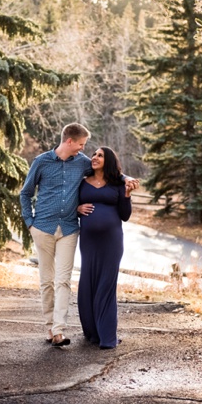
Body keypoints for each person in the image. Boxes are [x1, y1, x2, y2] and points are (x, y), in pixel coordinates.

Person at [19, 123, 137, 348]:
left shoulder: (82, 163)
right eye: (81, 145)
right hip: (43, 227)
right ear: (70, 141)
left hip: (69, 229)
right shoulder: (41, 162)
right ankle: (50, 326)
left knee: (63, 280)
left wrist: (126, 178)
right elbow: (25, 193)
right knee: (47, 281)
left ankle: (59, 331)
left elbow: (111, 170)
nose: (84, 150)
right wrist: (29, 223)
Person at [76, 147, 132, 349]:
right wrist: (77, 208)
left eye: (100, 155)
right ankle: (92, 333)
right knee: (88, 283)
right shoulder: (82, 182)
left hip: (112, 242)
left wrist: (126, 195)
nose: (94, 157)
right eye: (94, 154)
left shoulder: (118, 184)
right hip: (89, 242)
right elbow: (70, 205)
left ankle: (107, 337)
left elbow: (125, 216)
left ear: (107, 160)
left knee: (106, 286)